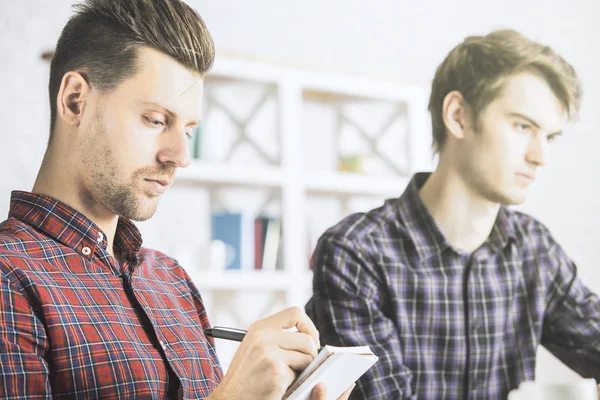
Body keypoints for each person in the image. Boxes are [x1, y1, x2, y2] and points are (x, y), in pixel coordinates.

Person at [0, 1, 354, 399]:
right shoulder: (8, 276)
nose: (180, 156)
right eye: (155, 120)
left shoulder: (172, 282)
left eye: (187, 129)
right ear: (75, 101)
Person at [306, 29, 600, 399]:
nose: (540, 157)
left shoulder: (535, 249)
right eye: (523, 126)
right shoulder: (355, 253)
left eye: (550, 137)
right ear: (458, 116)